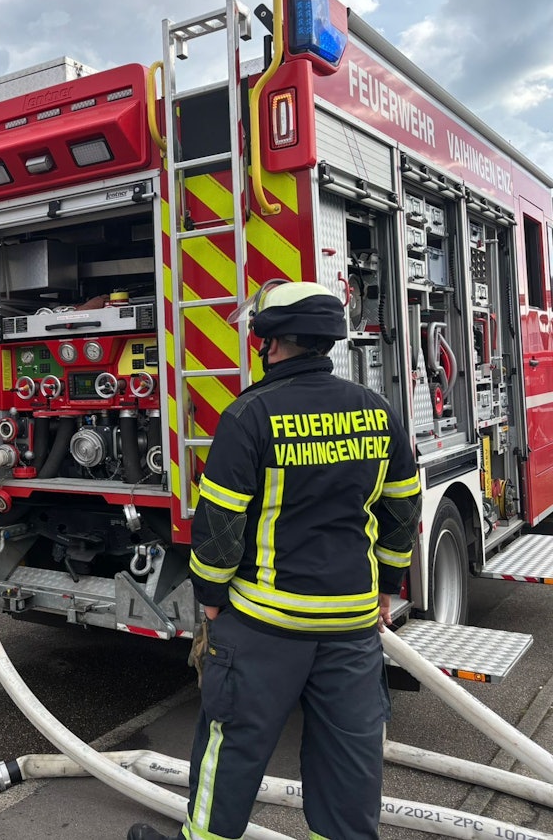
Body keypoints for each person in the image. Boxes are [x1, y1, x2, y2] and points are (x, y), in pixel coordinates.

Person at [129, 281, 421, 840]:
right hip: (351, 626)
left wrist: (211, 601)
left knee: (231, 747)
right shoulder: (378, 411)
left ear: (271, 342)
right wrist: (386, 583)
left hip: (265, 626)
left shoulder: (249, 415)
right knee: (349, 765)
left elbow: (219, 526)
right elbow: (402, 509)